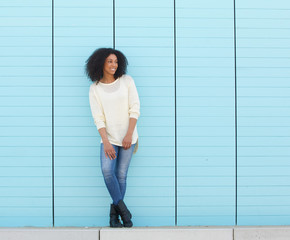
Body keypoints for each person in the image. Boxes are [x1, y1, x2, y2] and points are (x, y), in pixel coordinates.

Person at [86, 48, 140, 228]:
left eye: (116, 61)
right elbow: (98, 118)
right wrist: (106, 142)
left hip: (128, 137)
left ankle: (114, 217)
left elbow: (135, 108)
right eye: (110, 61)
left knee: (121, 175)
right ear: (100, 63)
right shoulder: (95, 88)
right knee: (107, 171)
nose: (114, 65)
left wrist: (129, 134)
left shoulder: (127, 81)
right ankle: (123, 211)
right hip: (108, 138)